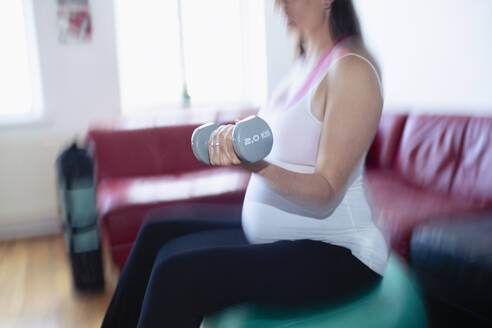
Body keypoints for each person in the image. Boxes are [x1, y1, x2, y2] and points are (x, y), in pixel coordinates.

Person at [101, 0, 389, 327]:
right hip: (285, 235)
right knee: (157, 232)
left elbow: (327, 190)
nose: (278, 4)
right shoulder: (303, 67)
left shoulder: (352, 70)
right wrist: (233, 140)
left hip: (339, 253)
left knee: (178, 275)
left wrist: (253, 165)